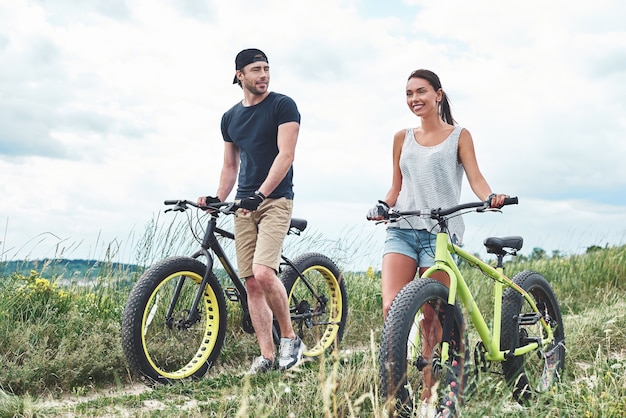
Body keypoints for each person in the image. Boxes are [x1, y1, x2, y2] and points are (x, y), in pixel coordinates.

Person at [367, 69, 508, 319]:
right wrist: (382, 206)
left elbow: (475, 177)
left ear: (438, 95)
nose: (414, 99)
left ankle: (431, 359)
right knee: (391, 306)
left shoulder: (459, 136)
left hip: (439, 234)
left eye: (421, 91)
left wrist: (491, 197)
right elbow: (396, 186)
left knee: (433, 312)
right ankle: (398, 360)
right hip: (402, 229)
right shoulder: (402, 138)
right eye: (409, 94)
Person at [198, 48, 305, 374]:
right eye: (256, 69)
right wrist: (218, 197)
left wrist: (261, 194)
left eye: (267, 68)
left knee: (262, 271)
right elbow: (231, 165)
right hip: (244, 205)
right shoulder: (230, 118)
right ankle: (268, 357)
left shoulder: (282, 105)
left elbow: (285, 156)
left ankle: (290, 340)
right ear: (239, 75)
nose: (264, 75)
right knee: (252, 284)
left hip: (275, 200)